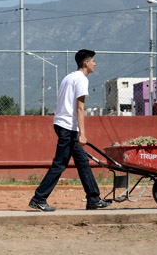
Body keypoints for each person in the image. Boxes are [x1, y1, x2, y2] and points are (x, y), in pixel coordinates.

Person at [29, 49, 111, 211]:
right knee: (60, 164)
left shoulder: (69, 77)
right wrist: (83, 134)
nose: (95, 64)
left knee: (82, 162)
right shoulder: (81, 79)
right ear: (86, 63)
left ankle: (93, 198)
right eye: (93, 61)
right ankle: (39, 198)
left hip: (62, 124)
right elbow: (80, 108)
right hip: (68, 127)